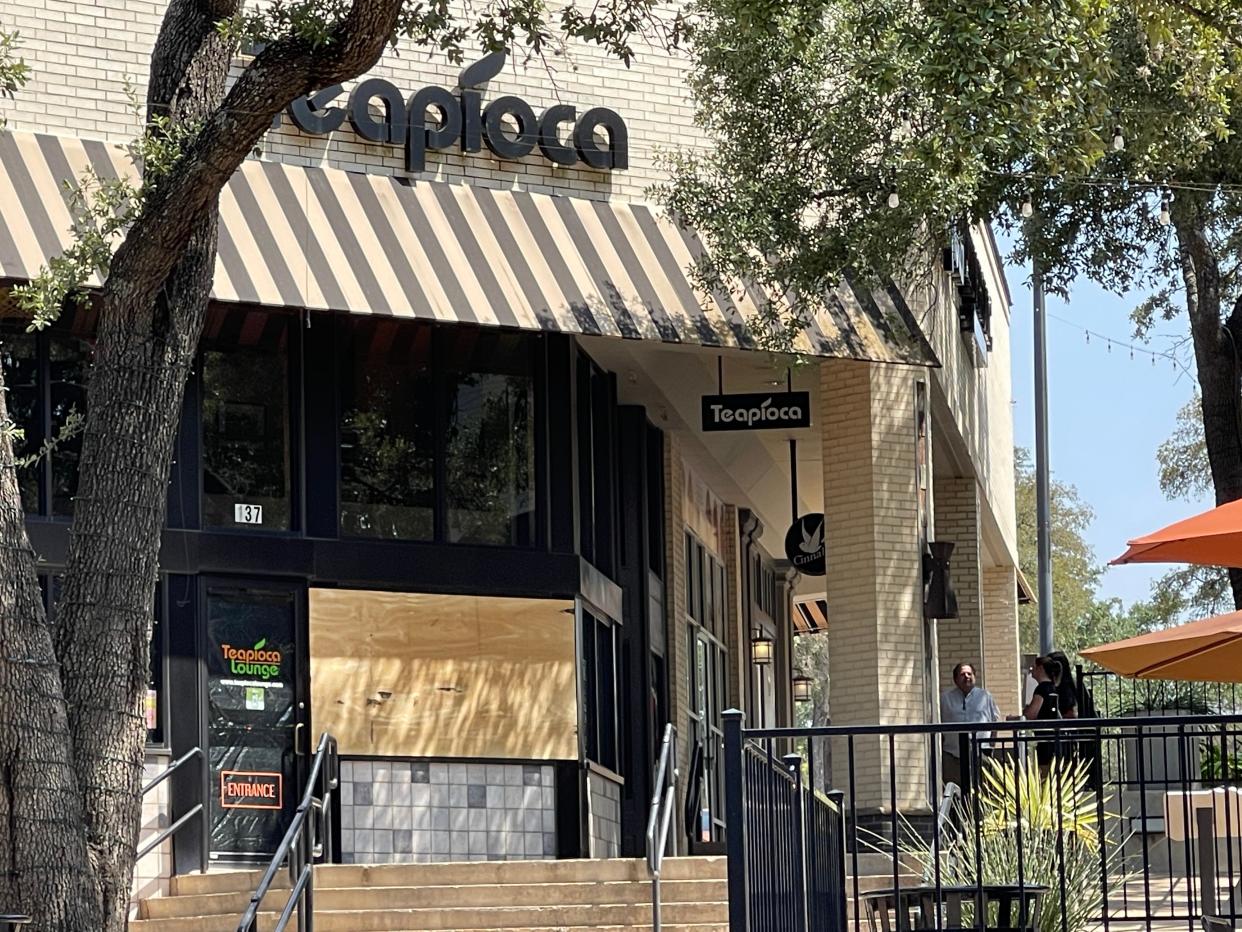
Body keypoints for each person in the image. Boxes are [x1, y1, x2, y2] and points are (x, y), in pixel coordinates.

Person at [939, 662, 1000, 788]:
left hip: (979, 754)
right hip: (953, 755)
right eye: (962, 674)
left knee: (981, 791)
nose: (967, 676)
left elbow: (995, 722)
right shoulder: (945, 699)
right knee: (954, 792)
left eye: (969, 674)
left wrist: (990, 746)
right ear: (955, 679)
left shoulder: (985, 696)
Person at [1023, 655, 1078, 770]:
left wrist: (1024, 712)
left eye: (1034, 666)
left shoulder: (1042, 689)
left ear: (1041, 668)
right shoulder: (1054, 688)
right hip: (1059, 744)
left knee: (1045, 776)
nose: (1032, 669)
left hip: (1047, 745)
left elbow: (1031, 715)